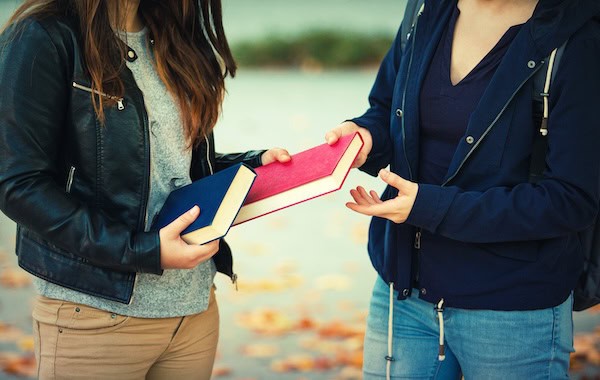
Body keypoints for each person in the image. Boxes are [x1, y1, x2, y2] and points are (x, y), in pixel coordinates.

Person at [0, 0, 290, 378]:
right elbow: (17, 182)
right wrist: (141, 250)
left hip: (192, 313)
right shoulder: (43, 36)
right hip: (94, 317)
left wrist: (250, 166)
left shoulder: (174, 35)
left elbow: (168, 164)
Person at [326, 0, 600, 378]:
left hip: (511, 311)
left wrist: (430, 207)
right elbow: (388, 107)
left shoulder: (579, 38)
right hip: (402, 295)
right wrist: (366, 135)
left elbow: (572, 199)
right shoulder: (425, 8)